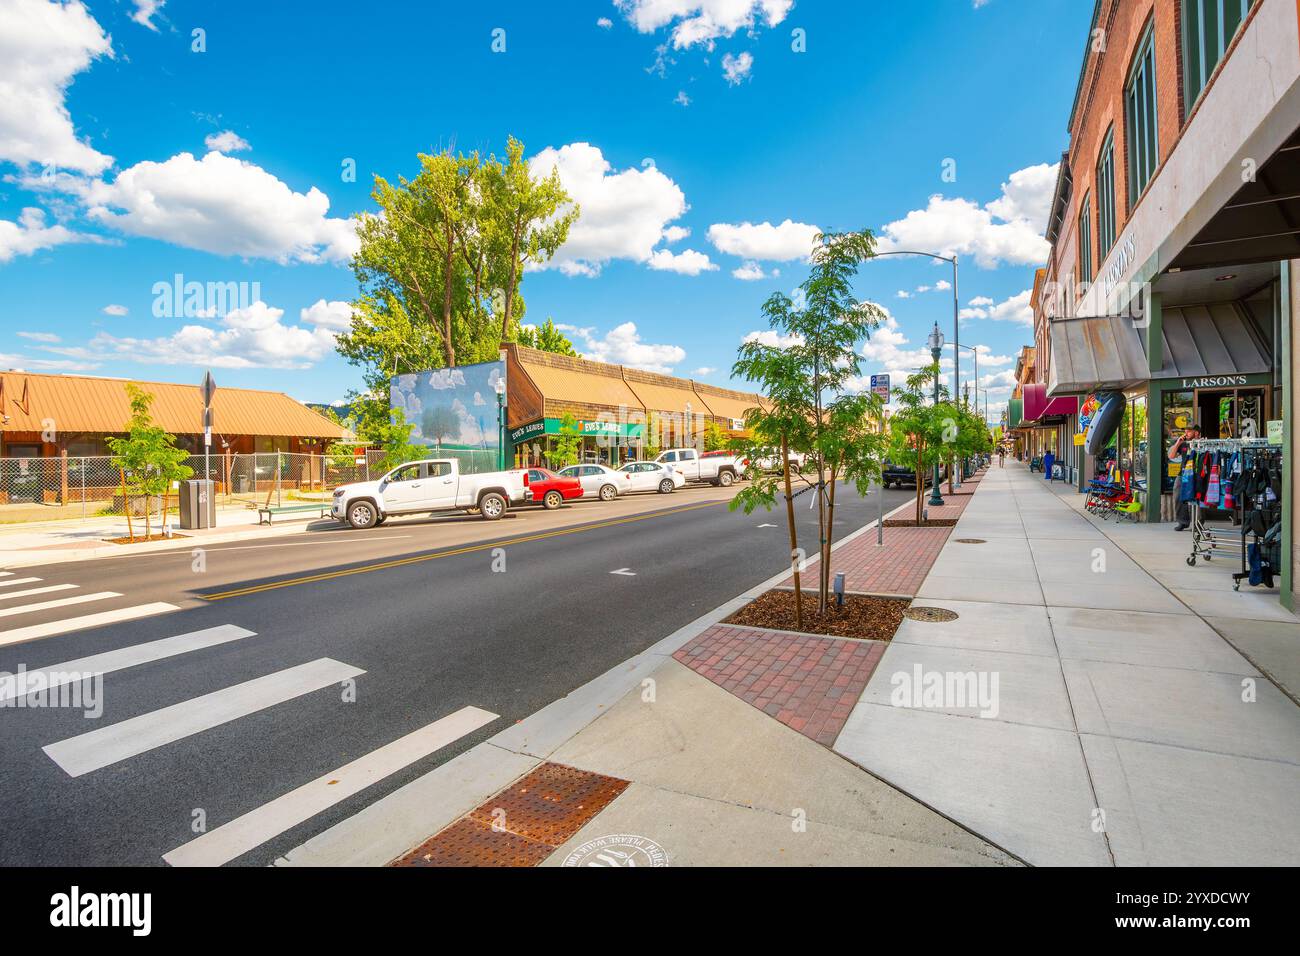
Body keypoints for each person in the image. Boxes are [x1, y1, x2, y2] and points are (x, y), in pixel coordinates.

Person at [1168, 425, 1201, 531]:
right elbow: (1171, 456)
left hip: (1197, 473)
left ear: (1196, 433)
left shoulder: (1202, 443)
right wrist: (1178, 442)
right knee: (1178, 495)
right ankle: (1182, 521)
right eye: (1185, 432)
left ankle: (1198, 522)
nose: (1186, 434)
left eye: (1189, 432)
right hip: (1182, 474)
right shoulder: (1183, 444)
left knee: (1198, 496)